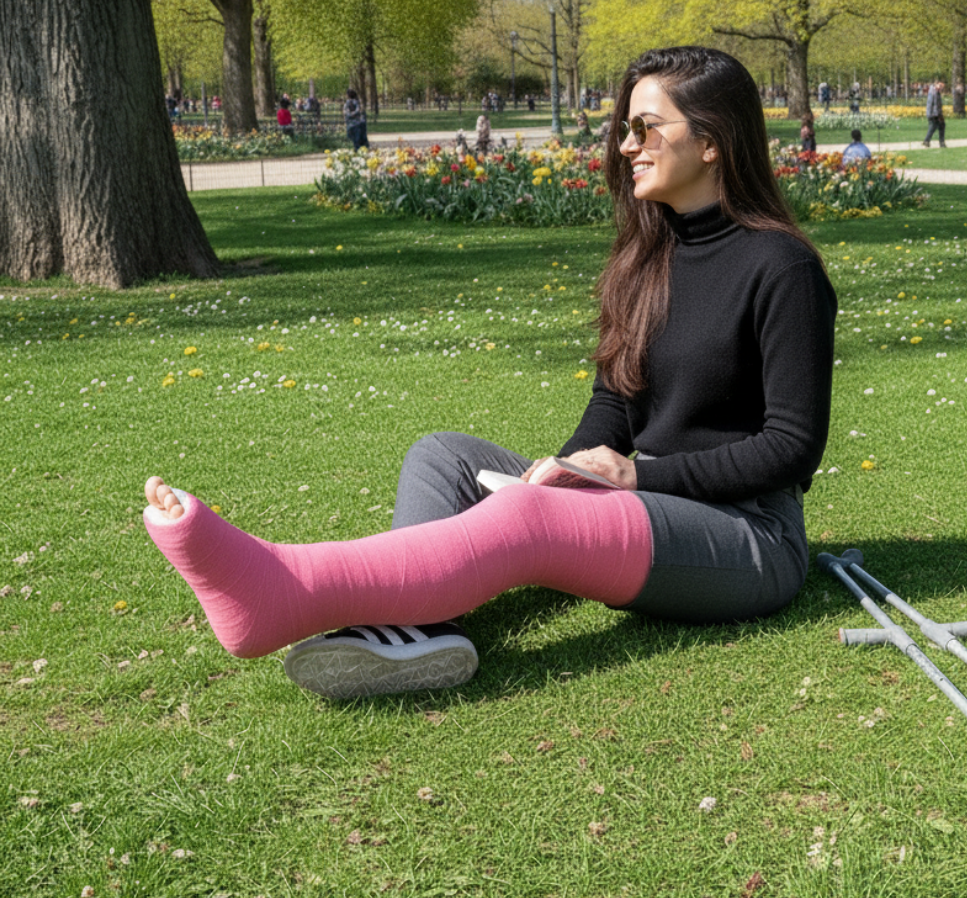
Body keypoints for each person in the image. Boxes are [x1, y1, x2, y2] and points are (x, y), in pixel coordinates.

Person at [142, 46, 838, 702]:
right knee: (441, 456)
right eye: (625, 129)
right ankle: (415, 630)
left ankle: (285, 589)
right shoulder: (645, 258)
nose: (626, 146)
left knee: (528, 517)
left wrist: (635, 477)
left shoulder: (783, 269)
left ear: (712, 141)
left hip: (747, 536)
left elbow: (791, 448)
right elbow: (616, 401)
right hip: (638, 502)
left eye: (645, 128)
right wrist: (570, 469)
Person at [922, 80, 945, 147]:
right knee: (934, 126)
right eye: (940, 85)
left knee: (938, 126)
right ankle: (939, 142)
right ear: (936, 84)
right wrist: (931, 115)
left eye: (942, 87)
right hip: (934, 114)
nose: (941, 88)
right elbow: (930, 104)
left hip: (937, 113)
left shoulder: (936, 92)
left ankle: (928, 141)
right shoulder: (933, 92)